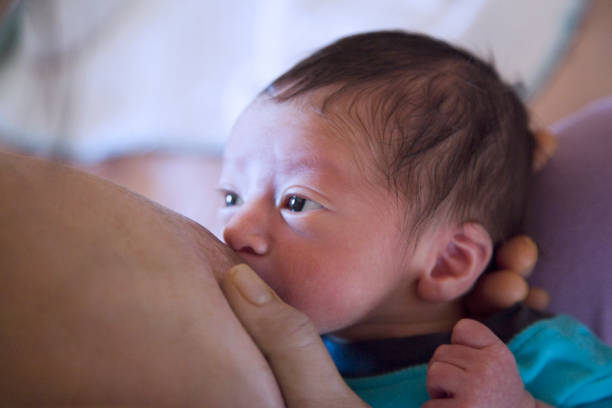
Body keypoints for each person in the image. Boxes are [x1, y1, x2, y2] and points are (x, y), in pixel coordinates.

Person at [218, 31, 612, 407]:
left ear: (447, 260)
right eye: (232, 197)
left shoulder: (534, 357)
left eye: (298, 202)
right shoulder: (240, 345)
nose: (234, 230)